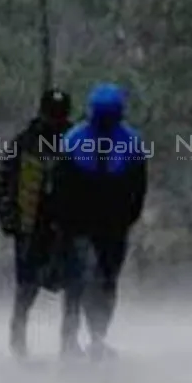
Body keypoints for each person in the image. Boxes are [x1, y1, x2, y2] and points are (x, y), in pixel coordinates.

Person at [54, 82, 149, 360]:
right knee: (86, 280)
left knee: (100, 280)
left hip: (104, 225)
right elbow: (62, 186)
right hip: (87, 225)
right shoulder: (77, 140)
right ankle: (76, 339)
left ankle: (93, 338)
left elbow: (137, 187)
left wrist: (127, 217)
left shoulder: (125, 142)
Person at [0, 88, 74, 360]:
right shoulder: (24, 144)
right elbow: (4, 183)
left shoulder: (77, 141)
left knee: (74, 286)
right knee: (28, 285)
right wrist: (9, 220)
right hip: (31, 226)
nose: (57, 121)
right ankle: (18, 335)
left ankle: (69, 342)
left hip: (67, 226)